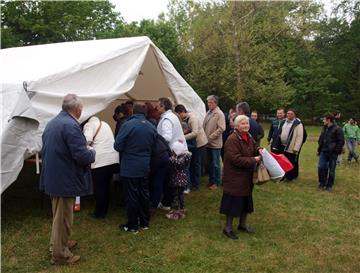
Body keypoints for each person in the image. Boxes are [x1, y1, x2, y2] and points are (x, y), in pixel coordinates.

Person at [40, 94, 95, 265]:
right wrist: (91, 151)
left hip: (54, 176)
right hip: (63, 178)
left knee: (59, 215)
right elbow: (81, 156)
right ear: (77, 109)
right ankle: (60, 254)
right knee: (63, 218)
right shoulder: (71, 126)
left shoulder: (54, 122)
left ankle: (58, 244)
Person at [114, 104, 157, 233]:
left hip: (130, 166)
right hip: (144, 165)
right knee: (144, 193)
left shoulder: (128, 124)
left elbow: (117, 145)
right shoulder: (151, 127)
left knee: (131, 196)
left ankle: (132, 225)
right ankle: (144, 222)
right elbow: (154, 147)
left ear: (133, 111)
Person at [220, 115, 261, 240]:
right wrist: (253, 159)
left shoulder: (248, 136)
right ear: (236, 126)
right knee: (232, 203)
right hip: (234, 177)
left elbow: (254, 148)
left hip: (246, 177)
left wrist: (260, 151)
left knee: (245, 201)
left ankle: (242, 225)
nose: (246, 126)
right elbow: (235, 159)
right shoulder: (232, 139)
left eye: (247, 123)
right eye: (243, 124)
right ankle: (228, 228)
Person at [83, 116, 119, 218]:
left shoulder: (89, 125)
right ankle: (106, 208)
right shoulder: (105, 123)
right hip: (113, 159)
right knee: (107, 186)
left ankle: (99, 213)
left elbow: (86, 140)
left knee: (99, 188)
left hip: (100, 161)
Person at [175, 104, 208, 192]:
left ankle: (196, 185)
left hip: (199, 144)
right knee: (193, 164)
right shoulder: (186, 118)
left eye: (179, 114)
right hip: (194, 144)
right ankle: (193, 182)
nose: (179, 117)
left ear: (182, 112)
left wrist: (182, 137)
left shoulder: (192, 118)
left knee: (196, 164)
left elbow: (195, 133)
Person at [273, 108, 304, 181]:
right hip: (282, 146)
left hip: (291, 147)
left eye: (291, 114)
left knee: (290, 162)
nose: (289, 115)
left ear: (294, 115)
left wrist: (296, 148)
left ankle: (290, 177)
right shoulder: (284, 121)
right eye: (288, 113)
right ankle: (283, 176)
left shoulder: (298, 124)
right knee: (282, 162)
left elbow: (300, 137)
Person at [317, 113, 345, 192]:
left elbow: (341, 141)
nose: (323, 121)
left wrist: (336, 151)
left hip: (333, 152)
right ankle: (322, 183)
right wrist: (319, 149)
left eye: (324, 119)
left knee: (331, 169)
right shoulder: (324, 128)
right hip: (323, 151)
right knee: (321, 167)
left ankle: (329, 185)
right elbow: (321, 139)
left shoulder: (337, 129)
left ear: (328, 120)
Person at [203, 95, 226, 190]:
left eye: (211, 102)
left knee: (216, 164)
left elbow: (222, 128)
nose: (209, 104)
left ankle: (216, 182)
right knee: (210, 163)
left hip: (215, 144)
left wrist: (210, 137)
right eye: (208, 102)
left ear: (215, 103)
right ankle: (211, 181)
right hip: (208, 143)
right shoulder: (208, 112)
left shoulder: (219, 114)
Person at [165, 141, 192, 220]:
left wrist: (171, 159)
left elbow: (179, 163)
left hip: (177, 181)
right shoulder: (185, 156)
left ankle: (176, 213)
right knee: (180, 195)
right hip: (182, 180)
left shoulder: (179, 159)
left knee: (175, 196)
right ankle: (182, 208)